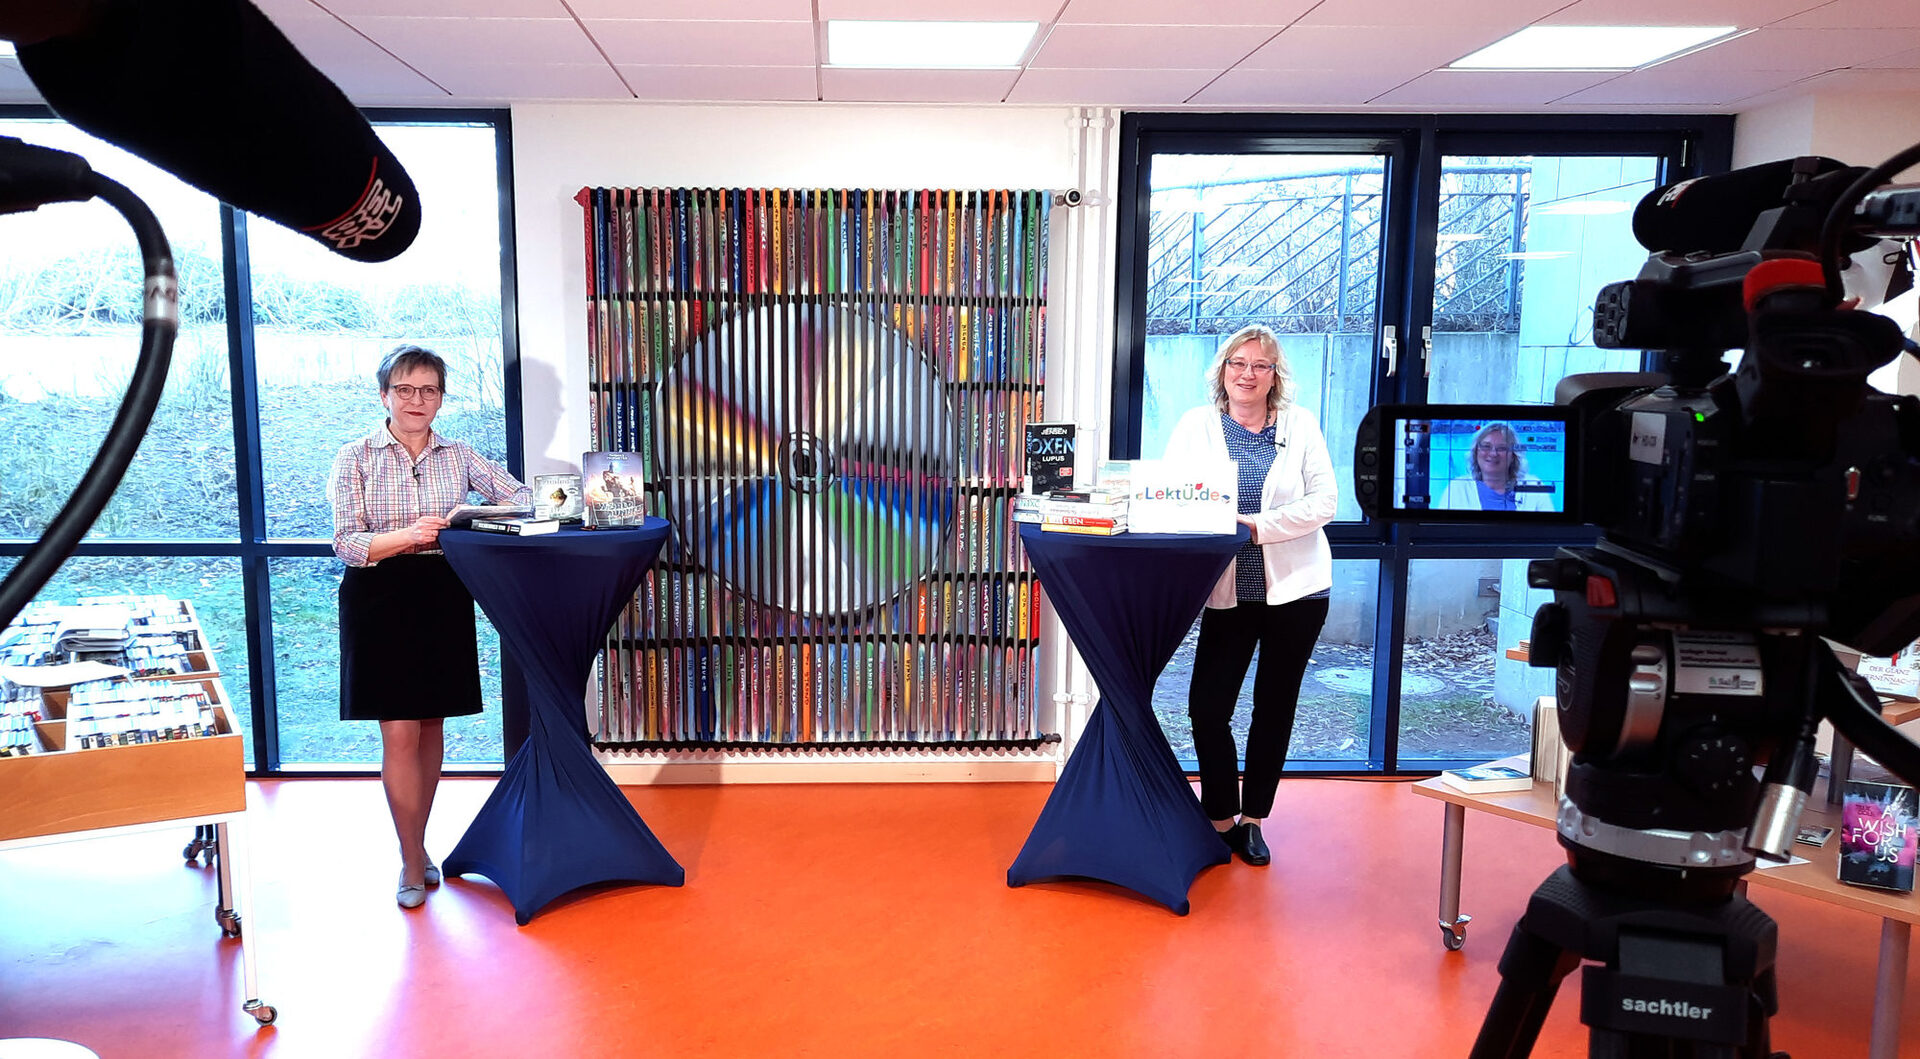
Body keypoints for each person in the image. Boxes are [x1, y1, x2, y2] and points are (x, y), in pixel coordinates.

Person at [329, 345, 530, 909]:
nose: (416, 400)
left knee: (432, 727)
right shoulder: (355, 456)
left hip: (442, 594)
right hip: (378, 596)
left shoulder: (459, 455)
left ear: (441, 398)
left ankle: (417, 846)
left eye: (429, 390)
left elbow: (519, 499)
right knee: (398, 731)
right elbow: (346, 542)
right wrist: (411, 536)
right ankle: (412, 860)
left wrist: (471, 523)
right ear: (384, 395)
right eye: (405, 389)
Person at [1164, 324, 1337, 866]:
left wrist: (1256, 526)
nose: (1248, 374)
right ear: (1222, 371)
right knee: (1207, 708)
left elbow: (1325, 501)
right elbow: (1170, 495)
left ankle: (1254, 820)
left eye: (1261, 365)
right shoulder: (1195, 426)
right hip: (1227, 590)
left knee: (1273, 708)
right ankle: (1219, 817)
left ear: (1274, 375)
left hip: (1298, 590)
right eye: (1238, 363)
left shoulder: (1300, 425)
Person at [1436, 421, 1551, 512]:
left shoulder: (1534, 485)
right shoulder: (1457, 488)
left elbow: (1549, 529)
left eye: (1502, 448)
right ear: (1476, 452)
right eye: (1486, 446)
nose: (1493, 453)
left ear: (1513, 455)